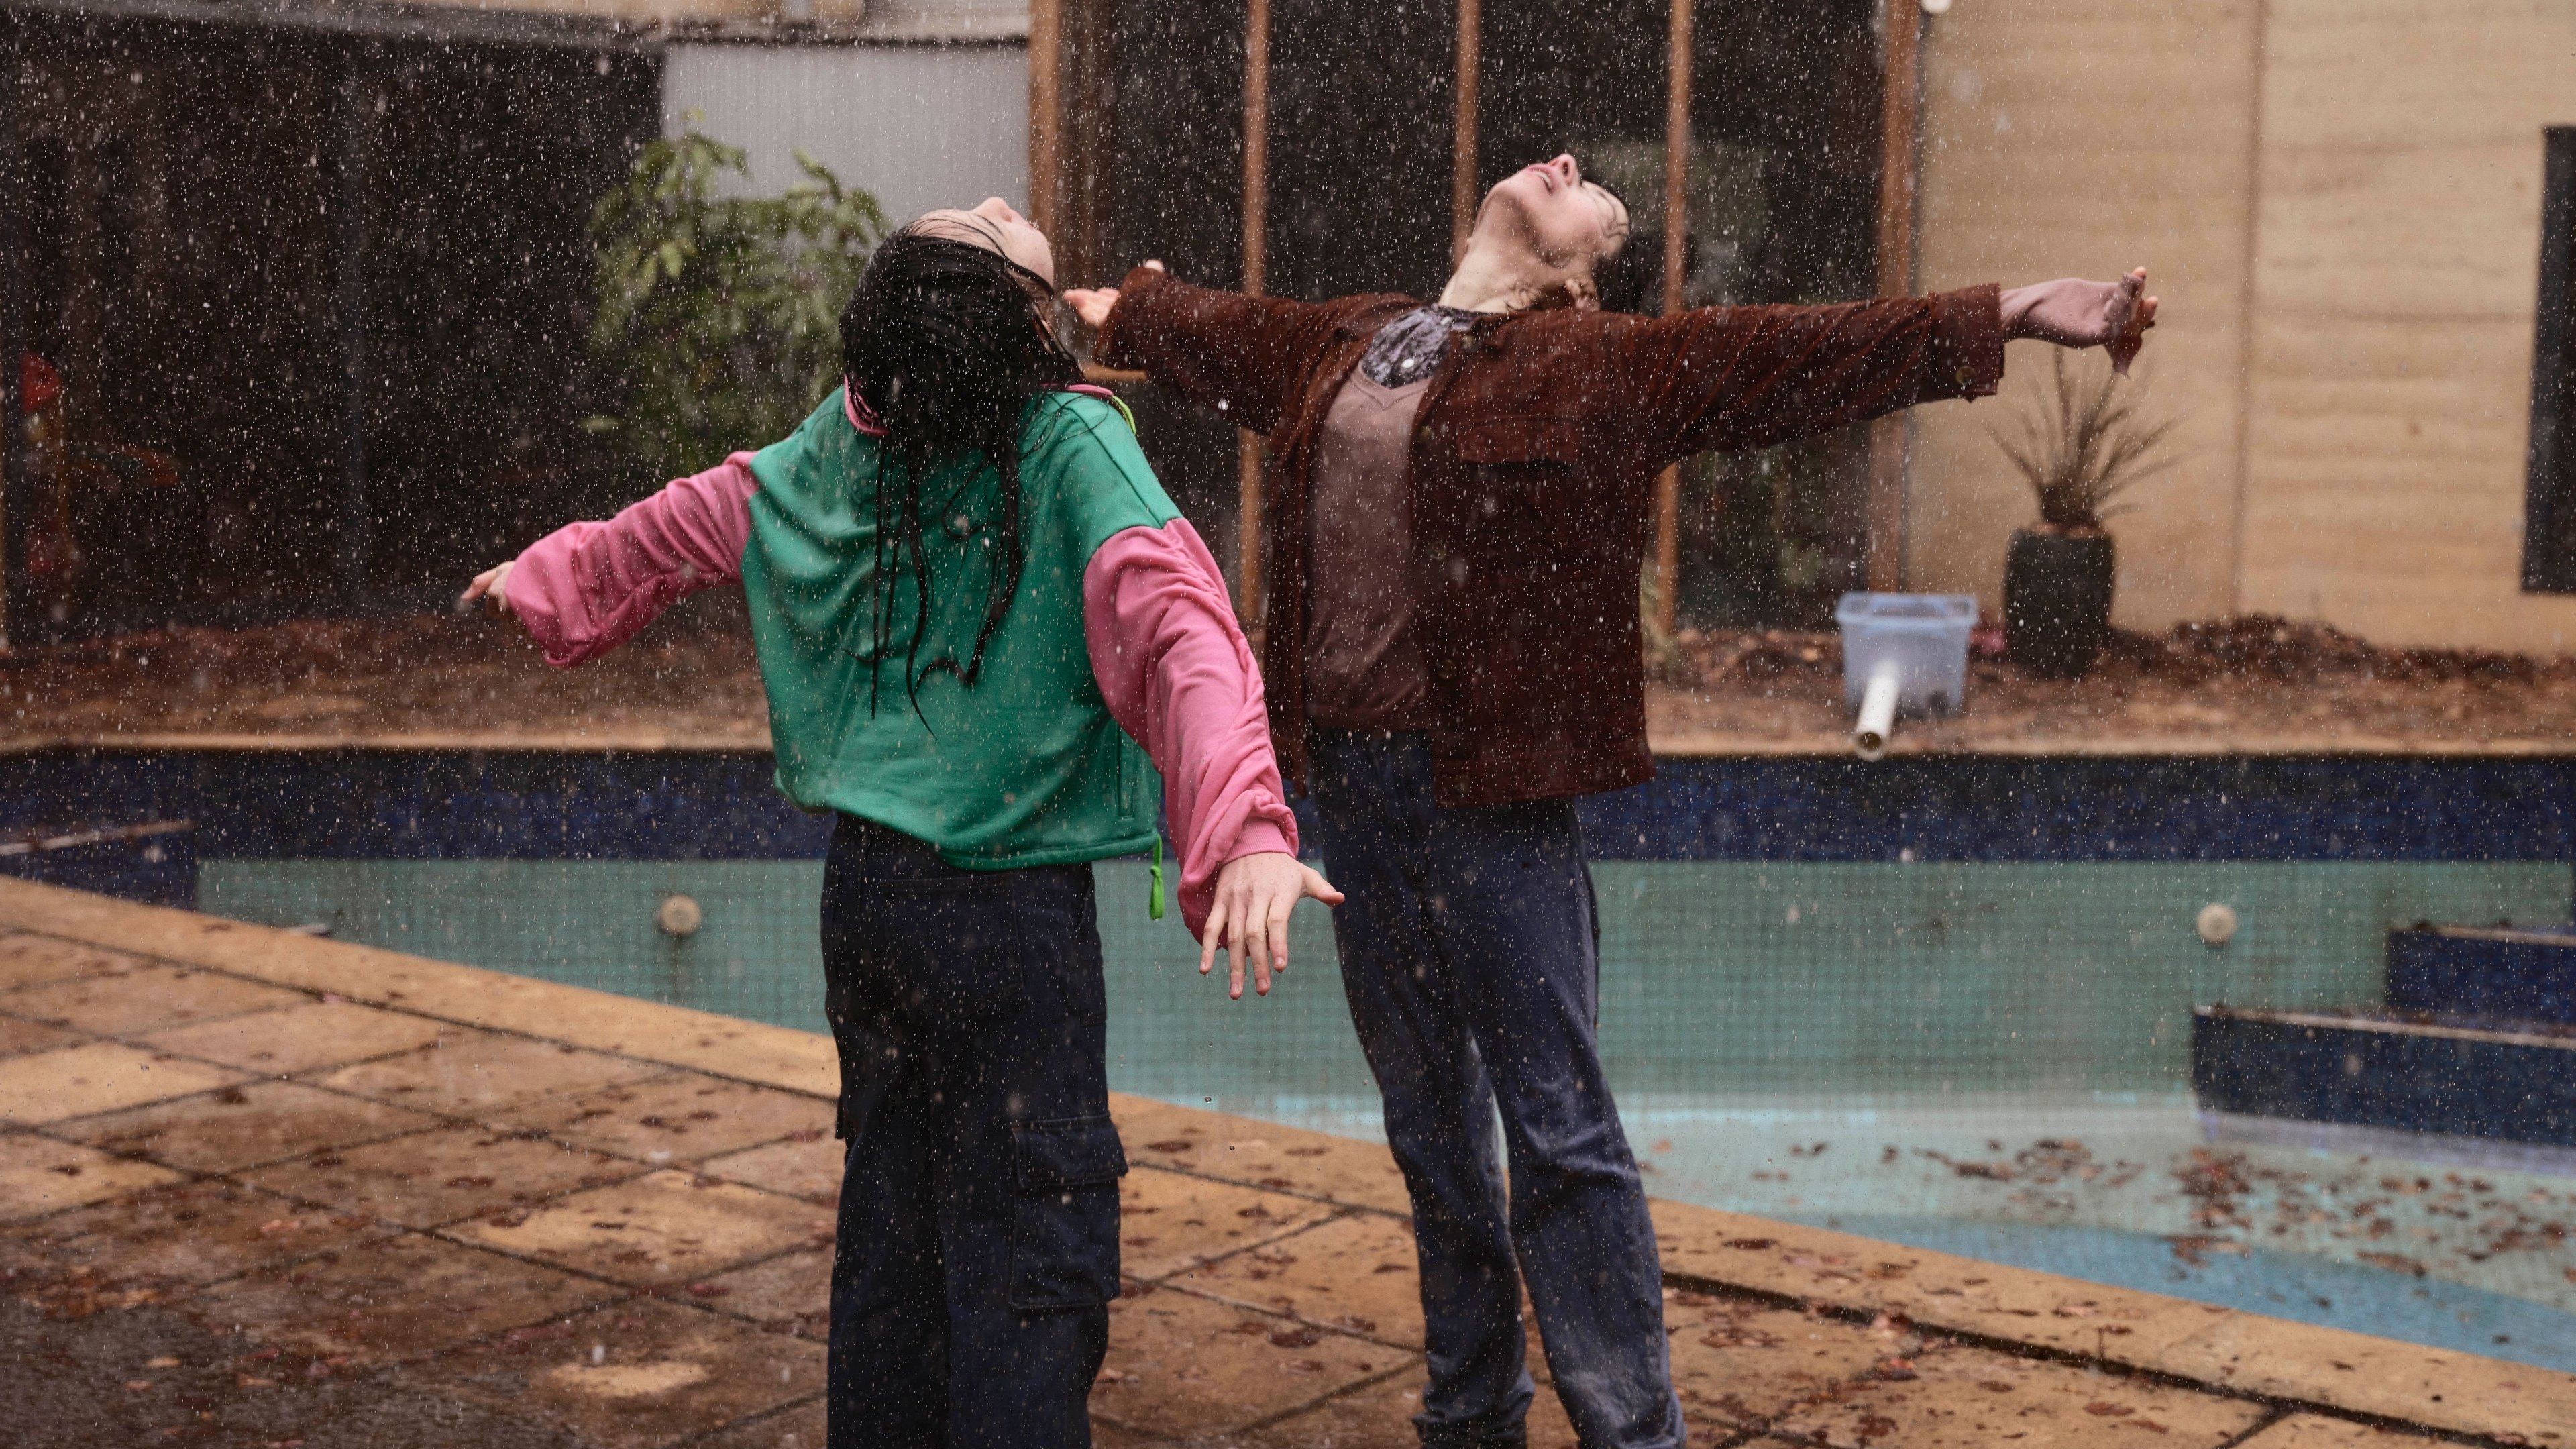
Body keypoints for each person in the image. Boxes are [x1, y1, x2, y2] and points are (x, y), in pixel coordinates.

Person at [1065, 154, 2157, 1449]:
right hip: (1351, 794)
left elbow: (1819, 349)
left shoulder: (1603, 365)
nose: (1570, 165)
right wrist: (1117, 308)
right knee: (1429, 1130)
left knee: (1560, 1133)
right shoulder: (1351, 340)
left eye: (1596, 201)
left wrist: (2020, 310)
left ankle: (1632, 1431)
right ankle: (1471, 1410)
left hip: (1494, 798)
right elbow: (1211, 328)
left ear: (1581, 274)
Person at [462, 197, 1342, 1449]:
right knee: (1027, 1259)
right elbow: (1181, 628)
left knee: (896, 1236)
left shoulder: (852, 434)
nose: (995, 201)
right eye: (983, 228)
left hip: (869, 902)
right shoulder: (1062, 438)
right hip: (1007, 918)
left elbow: (697, 515)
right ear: (1027, 331)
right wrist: (1247, 826)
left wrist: (551, 576)